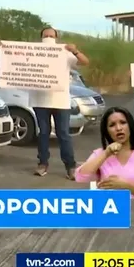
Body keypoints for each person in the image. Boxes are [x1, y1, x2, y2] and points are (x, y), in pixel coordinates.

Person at [32, 27, 89, 180]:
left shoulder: (64, 53)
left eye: (52, 35)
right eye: (46, 35)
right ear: (41, 37)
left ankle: (70, 166)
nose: (49, 37)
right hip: (40, 100)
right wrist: (5, 50)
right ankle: (42, 163)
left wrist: (75, 51)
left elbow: (85, 62)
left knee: (63, 134)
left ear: (56, 38)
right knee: (43, 133)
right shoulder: (34, 52)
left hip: (60, 100)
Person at [75, 106, 134, 199]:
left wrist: (126, 186)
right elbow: (80, 177)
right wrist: (106, 154)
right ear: (107, 131)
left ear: (130, 125)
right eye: (112, 125)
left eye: (123, 123)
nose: (118, 128)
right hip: (110, 210)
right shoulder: (100, 154)